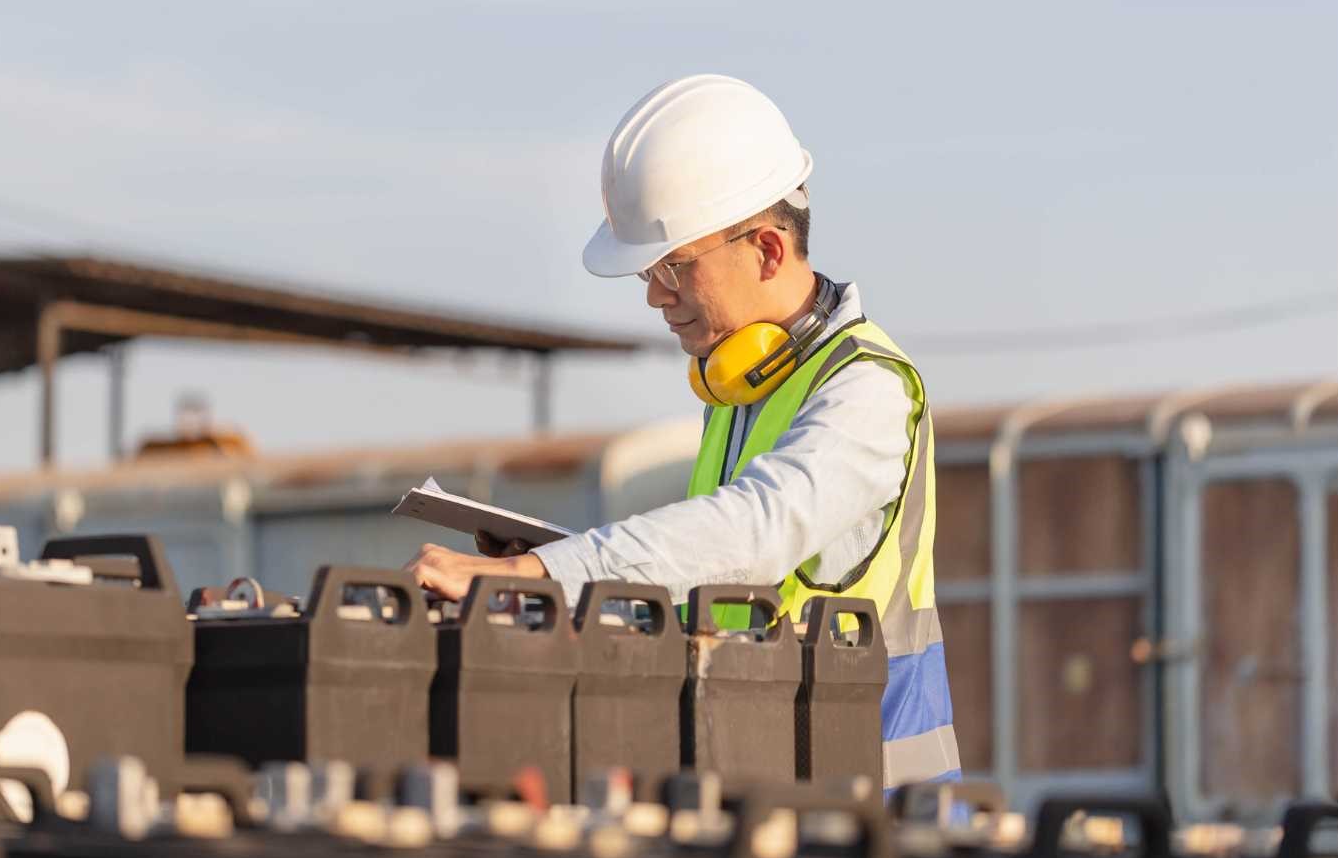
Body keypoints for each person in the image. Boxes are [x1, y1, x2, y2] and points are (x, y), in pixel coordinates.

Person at [407, 74, 960, 790]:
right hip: (767, 789)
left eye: (671, 268)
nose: (653, 296)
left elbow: (755, 533)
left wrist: (545, 573)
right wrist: (560, 568)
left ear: (765, 250)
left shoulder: (867, 392)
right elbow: (722, 601)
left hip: (875, 813)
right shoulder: (741, 389)